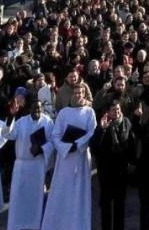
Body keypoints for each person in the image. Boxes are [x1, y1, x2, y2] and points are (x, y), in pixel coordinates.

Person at [42, 83, 97, 230]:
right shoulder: (64, 112)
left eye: (81, 93)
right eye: (76, 93)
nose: (78, 95)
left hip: (81, 157)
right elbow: (55, 134)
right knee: (62, 190)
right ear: (72, 94)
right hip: (65, 158)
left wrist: (77, 144)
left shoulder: (89, 112)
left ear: (84, 94)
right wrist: (66, 147)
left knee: (79, 192)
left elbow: (92, 132)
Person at [5, 100, 54, 230]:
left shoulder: (47, 122)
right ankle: (17, 224)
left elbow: (52, 142)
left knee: (36, 197)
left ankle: (34, 224)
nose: (37, 111)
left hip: (37, 165)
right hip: (22, 165)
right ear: (29, 109)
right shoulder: (21, 122)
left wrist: (41, 148)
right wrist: (11, 116)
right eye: (34, 109)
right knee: (18, 196)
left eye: (39, 109)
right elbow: (9, 135)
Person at [93, 100, 134, 230]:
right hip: (106, 171)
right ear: (108, 112)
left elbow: (131, 144)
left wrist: (131, 163)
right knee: (106, 205)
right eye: (113, 110)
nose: (116, 112)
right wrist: (102, 130)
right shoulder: (103, 124)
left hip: (121, 171)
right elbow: (94, 147)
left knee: (120, 204)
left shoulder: (126, 122)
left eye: (117, 109)